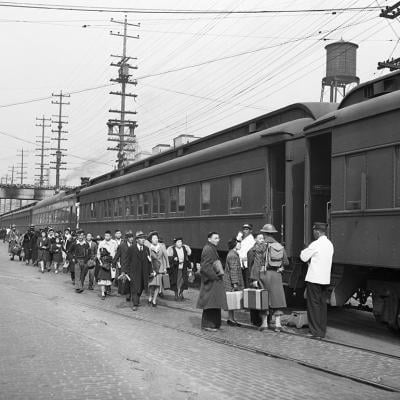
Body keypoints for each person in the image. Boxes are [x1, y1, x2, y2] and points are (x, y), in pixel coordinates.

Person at [249, 224, 289, 332]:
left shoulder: (261, 246)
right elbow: (286, 261)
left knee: (264, 298)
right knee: (277, 299)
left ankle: (264, 324)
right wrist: (280, 268)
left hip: (264, 275)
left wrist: (254, 279)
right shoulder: (279, 246)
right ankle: (278, 325)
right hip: (276, 275)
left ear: (264, 233)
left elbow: (256, 264)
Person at [300, 222, 334, 339]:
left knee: (313, 306)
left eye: (314, 231)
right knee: (322, 306)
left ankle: (314, 332)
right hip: (325, 279)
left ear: (317, 231)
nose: (313, 233)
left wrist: (305, 249)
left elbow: (303, 257)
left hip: (314, 279)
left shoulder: (316, 244)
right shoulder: (330, 244)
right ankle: (321, 331)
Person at [196, 232, 228, 332]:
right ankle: (208, 325)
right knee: (210, 303)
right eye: (215, 238)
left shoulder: (210, 248)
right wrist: (215, 277)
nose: (218, 240)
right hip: (211, 281)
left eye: (218, 238)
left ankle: (213, 324)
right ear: (209, 239)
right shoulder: (208, 249)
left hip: (213, 281)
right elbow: (205, 267)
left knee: (214, 303)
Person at [125, 231, 151, 310]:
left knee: (141, 287)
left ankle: (137, 299)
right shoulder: (131, 249)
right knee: (135, 288)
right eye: (141, 238)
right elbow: (127, 261)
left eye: (144, 238)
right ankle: (135, 303)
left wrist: (151, 271)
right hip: (134, 272)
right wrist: (127, 272)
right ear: (137, 240)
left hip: (143, 272)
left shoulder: (146, 249)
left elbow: (149, 261)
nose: (143, 240)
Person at [224, 238, 244, 327]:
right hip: (231, 282)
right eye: (239, 244)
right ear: (235, 245)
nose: (240, 245)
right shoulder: (233, 255)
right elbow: (233, 270)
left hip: (229, 281)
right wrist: (235, 283)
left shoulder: (232, 254)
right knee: (232, 300)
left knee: (231, 301)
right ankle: (231, 319)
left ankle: (231, 318)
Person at [147, 231, 169, 307]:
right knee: (151, 285)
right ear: (151, 240)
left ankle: (154, 300)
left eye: (156, 238)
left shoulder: (162, 246)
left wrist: (166, 267)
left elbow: (166, 256)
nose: (156, 239)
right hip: (152, 268)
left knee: (158, 285)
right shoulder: (149, 247)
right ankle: (150, 296)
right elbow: (147, 258)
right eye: (154, 238)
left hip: (160, 268)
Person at [97, 230, 118, 300]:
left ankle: (108, 288)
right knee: (102, 278)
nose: (106, 237)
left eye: (108, 236)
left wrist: (116, 261)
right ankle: (103, 293)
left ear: (111, 236)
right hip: (104, 263)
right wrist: (100, 262)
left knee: (112, 277)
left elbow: (117, 252)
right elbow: (98, 254)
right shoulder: (102, 243)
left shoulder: (114, 243)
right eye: (105, 235)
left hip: (112, 262)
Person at [113, 231, 133, 297]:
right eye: (130, 237)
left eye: (132, 237)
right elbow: (117, 256)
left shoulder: (134, 245)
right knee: (124, 280)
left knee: (131, 280)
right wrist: (113, 265)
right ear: (127, 238)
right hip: (124, 265)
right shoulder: (122, 246)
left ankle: (129, 293)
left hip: (132, 266)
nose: (131, 239)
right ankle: (125, 293)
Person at [237, 223, 255, 288]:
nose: (245, 231)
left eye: (247, 229)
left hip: (247, 264)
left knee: (247, 281)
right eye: (244, 229)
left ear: (250, 231)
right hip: (242, 264)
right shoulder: (243, 239)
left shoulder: (251, 240)